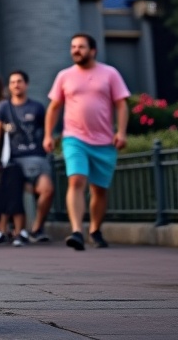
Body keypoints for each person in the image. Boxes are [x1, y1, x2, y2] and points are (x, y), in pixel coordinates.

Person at [44, 34, 129, 251]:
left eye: (81, 47)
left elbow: (121, 104)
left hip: (104, 141)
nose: (76, 50)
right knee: (76, 180)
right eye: (73, 46)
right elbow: (54, 108)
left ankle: (95, 230)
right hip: (74, 138)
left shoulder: (110, 73)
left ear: (93, 51)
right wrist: (48, 135)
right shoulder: (64, 76)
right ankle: (76, 232)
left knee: (99, 190)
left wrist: (121, 132)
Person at [0, 70, 53, 244]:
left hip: (37, 157)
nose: (16, 85)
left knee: (47, 191)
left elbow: (47, 130)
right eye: (12, 82)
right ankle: (18, 231)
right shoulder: (3, 107)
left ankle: (37, 228)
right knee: (21, 195)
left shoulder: (37, 107)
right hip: (14, 160)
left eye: (19, 81)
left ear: (26, 84)